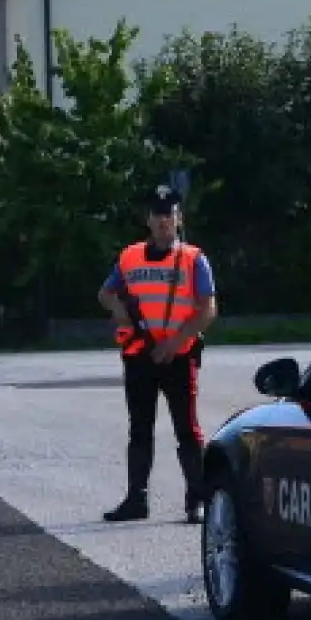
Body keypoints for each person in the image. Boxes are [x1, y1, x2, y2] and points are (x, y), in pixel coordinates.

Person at [98, 184, 219, 524]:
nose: (164, 220)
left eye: (170, 215)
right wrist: (119, 310)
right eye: (158, 214)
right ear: (148, 219)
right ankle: (137, 499)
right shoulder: (130, 256)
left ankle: (196, 499)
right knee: (140, 428)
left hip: (178, 357)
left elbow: (207, 309)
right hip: (139, 355)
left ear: (179, 219)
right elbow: (105, 294)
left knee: (187, 428)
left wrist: (175, 342)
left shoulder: (195, 259)